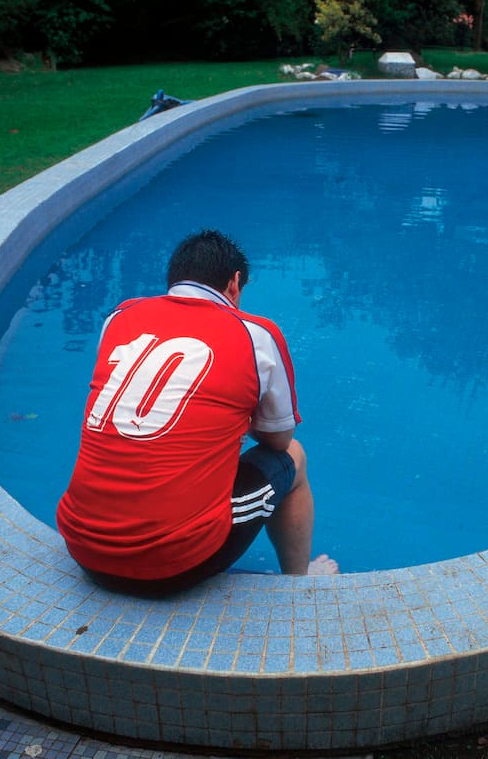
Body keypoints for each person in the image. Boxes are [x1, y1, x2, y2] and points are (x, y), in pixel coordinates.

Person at [56, 230, 337, 596]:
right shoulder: (256, 334)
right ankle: (299, 585)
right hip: (171, 565)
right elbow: (278, 439)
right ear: (235, 284)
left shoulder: (120, 316)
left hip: (82, 547)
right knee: (293, 458)